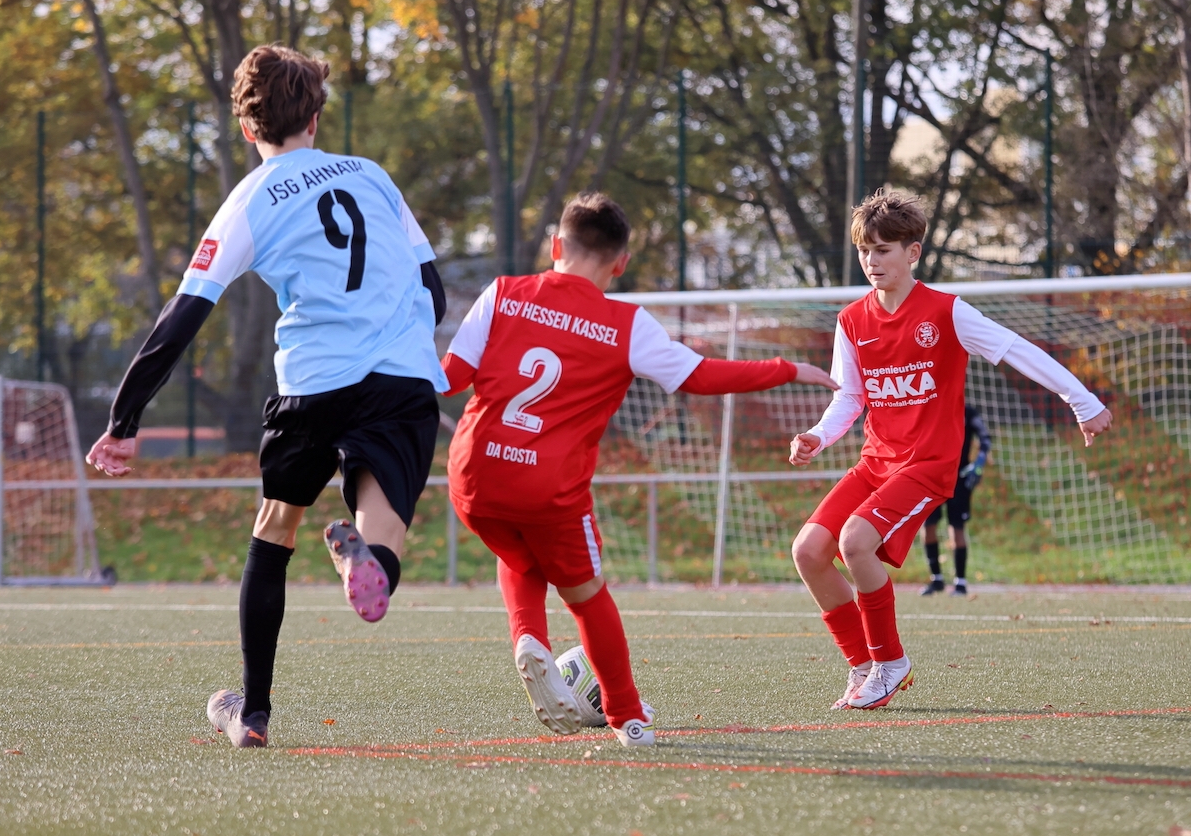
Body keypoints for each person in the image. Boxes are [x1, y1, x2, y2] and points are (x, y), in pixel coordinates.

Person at [84, 45, 448, 748]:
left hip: (314, 382)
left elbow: (186, 312)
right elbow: (431, 287)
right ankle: (364, 561)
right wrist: (403, 344)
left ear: (248, 129)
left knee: (274, 532)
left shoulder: (251, 200)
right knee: (383, 529)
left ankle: (251, 715)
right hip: (401, 379)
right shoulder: (373, 176)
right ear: (316, 118)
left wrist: (124, 417)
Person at [442, 192, 839, 746]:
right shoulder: (626, 324)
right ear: (621, 264)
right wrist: (786, 368)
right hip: (548, 487)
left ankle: (529, 636)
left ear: (555, 245)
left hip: (474, 473)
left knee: (518, 551)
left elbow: (450, 378)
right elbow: (700, 376)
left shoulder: (503, 292)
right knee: (588, 596)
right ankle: (628, 717)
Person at [788, 190, 1113, 711]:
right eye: (864, 251)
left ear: (912, 252)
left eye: (883, 250)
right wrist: (817, 435)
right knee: (807, 552)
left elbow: (1016, 349)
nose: (872, 261)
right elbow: (850, 397)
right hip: (876, 462)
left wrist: (1083, 400)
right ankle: (862, 666)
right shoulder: (851, 320)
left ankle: (890, 662)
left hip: (928, 465)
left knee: (854, 542)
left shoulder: (946, 312)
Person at [920, 404, 991, 596]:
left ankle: (960, 583)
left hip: (959, 479)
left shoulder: (968, 413)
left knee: (957, 528)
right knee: (928, 527)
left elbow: (985, 438)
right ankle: (937, 580)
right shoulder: (931, 408)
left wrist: (979, 463)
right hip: (932, 477)